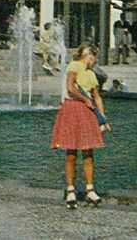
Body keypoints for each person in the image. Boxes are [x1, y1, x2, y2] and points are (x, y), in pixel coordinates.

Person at [51, 43, 108, 209]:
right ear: (87, 55)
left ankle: (90, 189)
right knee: (71, 151)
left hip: (87, 112)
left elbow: (97, 97)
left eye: (93, 57)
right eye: (92, 57)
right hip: (73, 108)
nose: (92, 60)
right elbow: (70, 88)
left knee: (88, 151)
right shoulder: (75, 65)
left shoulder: (92, 74)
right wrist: (85, 99)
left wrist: (103, 118)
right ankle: (70, 190)